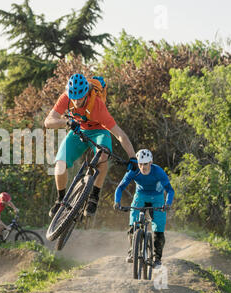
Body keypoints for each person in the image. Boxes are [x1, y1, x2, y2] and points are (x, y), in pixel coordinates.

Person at [44, 73, 137, 218]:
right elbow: (48, 122)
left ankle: (94, 196)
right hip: (78, 129)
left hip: (99, 131)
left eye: (79, 97)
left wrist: (133, 158)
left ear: (86, 93)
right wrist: (66, 122)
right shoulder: (66, 98)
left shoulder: (98, 107)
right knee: (60, 163)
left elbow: (120, 134)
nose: (76, 101)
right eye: (73, 97)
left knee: (103, 155)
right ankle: (60, 200)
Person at [114, 149, 175, 268]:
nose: (143, 167)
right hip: (140, 196)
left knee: (158, 228)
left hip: (157, 197)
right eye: (140, 164)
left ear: (151, 162)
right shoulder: (134, 170)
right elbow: (120, 187)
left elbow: (170, 190)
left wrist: (168, 203)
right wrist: (117, 201)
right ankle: (132, 251)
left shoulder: (158, 172)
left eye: (145, 164)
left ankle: (157, 258)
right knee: (133, 220)